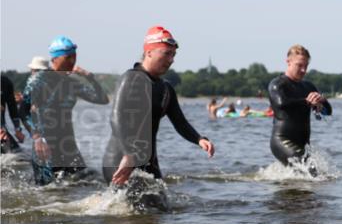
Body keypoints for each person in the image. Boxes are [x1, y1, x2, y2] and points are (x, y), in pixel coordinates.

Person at [103, 26, 215, 186]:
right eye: (167, 54)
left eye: (174, 55)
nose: (171, 60)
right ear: (149, 52)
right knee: (140, 206)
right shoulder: (131, 79)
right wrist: (129, 155)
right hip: (120, 159)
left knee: (161, 208)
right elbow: (116, 119)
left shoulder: (166, 89)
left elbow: (180, 122)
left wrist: (199, 139)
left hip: (148, 162)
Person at [20, 37, 109, 185]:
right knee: (47, 193)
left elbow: (102, 99)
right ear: (54, 59)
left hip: (68, 146)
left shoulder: (71, 83)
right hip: (45, 145)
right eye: (68, 57)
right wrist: (36, 138)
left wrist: (89, 76)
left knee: (86, 183)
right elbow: (23, 111)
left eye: (74, 56)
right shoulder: (39, 80)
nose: (72, 61)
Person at [267, 44, 331, 168]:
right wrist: (307, 101)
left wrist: (321, 101)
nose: (303, 70)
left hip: (303, 144)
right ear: (288, 62)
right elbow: (281, 104)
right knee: (311, 172)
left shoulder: (308, 87)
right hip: (282, 140)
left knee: (315, 176)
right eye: (299, 65)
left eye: (306, 66)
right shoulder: (277, 84)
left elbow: (328, 111)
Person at [1, 74, 25, 154]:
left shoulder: (5, 82)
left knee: (17, 155)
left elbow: (12, 108)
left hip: (2, 130)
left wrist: (17, 129)